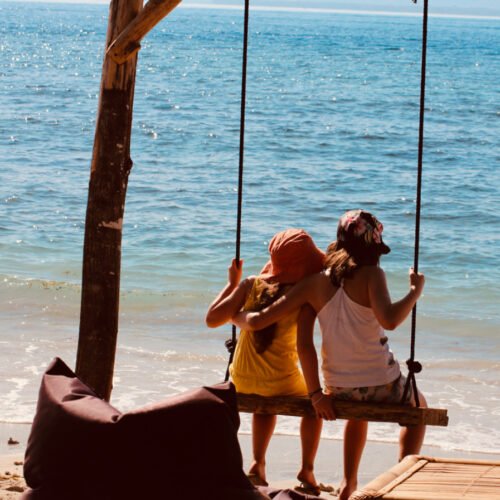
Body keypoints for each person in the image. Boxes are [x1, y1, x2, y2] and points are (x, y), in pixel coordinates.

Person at [232, 210, 427, 500]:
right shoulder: (373, 274)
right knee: (419, 411)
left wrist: (236, 315)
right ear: (372, 248)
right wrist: (414, 292)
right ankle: (399, 478)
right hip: (382, 385)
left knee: (356, 411)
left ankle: (349, 484)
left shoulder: (314, 283)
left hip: (337, 390)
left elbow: (276, 328)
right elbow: (389, 320)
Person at [206, 229, 326, 495]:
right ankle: (307, 468)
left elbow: (212, 318)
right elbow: (305, 346)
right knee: (313, 404)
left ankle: (258, 463)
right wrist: (318, 392)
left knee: (264, 403)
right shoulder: (302, 295)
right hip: (279, 380)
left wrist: (232, 284)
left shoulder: (250, 284)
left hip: (242, 379)